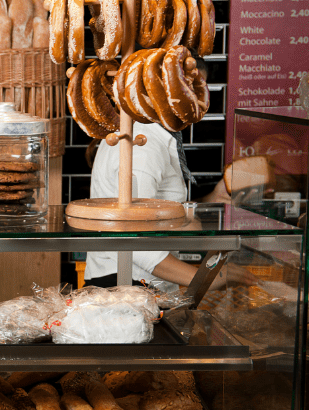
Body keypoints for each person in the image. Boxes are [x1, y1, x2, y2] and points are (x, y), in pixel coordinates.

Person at [83, 122, 256, 289]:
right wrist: (204, 278)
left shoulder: (143, 136)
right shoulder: (143, 147)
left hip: (127, 283)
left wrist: (211, 199)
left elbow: (150, 212)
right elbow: (133, 241)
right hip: (127, 286)